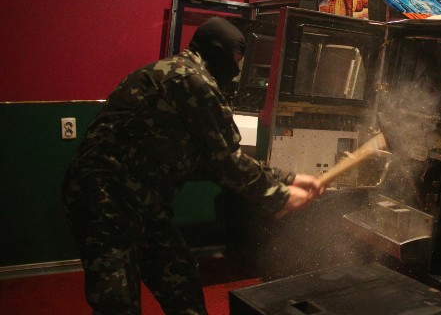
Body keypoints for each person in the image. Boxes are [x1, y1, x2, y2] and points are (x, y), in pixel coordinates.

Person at [61, 17, 324, 315]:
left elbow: (211, 161)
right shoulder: (191, 80)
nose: (236, 69)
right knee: (117, 301)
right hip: (103, 199)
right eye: (234, 60)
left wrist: (289, 177)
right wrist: (281, 195)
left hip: (144, 200)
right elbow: (226, 162)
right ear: (217, 52)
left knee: (179, 276)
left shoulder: (182, 72)